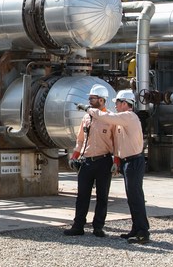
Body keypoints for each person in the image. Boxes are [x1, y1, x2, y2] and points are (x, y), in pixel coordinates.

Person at [83, 89, 150, 244]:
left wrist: (89, 110)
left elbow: (107, 116)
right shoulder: (123, 120)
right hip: (129, 162)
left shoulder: (128, 116)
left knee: (136, 197)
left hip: (134, 161)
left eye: (118, 103)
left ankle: (143, 232)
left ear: (125, 103)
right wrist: (117, 160)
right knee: (132, 198)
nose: (116, 106)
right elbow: (119, 142)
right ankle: (136, 228)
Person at [64, 84, 116, 238]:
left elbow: (117, 143)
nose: (89, 101)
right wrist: (74, 157)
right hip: (87, 162)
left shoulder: (111, 119)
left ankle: (98, 227)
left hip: (104, 161)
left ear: (101, 100)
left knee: (102, 196)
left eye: (92, 98)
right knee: (82, 196)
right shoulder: (86, 118)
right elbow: (80, 140)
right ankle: (78, 226)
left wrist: (116, 162)